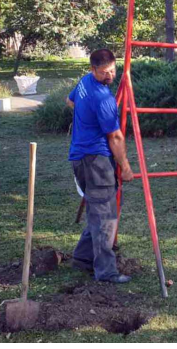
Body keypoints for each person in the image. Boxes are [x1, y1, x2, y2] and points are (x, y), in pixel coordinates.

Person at [66, 49, 135, 284]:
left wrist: (86, 120)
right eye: (104, 72)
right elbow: (115, 137)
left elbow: (70, 100)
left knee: (99, 209)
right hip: (95, 161)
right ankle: (106, 272)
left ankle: (83, 258)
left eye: (113, 70)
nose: (110, 76)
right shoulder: (103, 99)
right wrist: (125, 166)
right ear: (92, 69)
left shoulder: (84, 83)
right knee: (105, 215)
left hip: (81, 157)